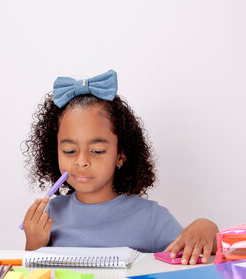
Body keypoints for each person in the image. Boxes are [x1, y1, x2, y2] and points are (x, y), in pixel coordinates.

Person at [21, 70, 218, 265]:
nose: (81, 161)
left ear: (120, 155)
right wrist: (34, 243)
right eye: (69, 150)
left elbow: (195, 254)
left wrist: (206, 227)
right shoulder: (49, 214)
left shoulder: (150, 218)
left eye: (97, 151)